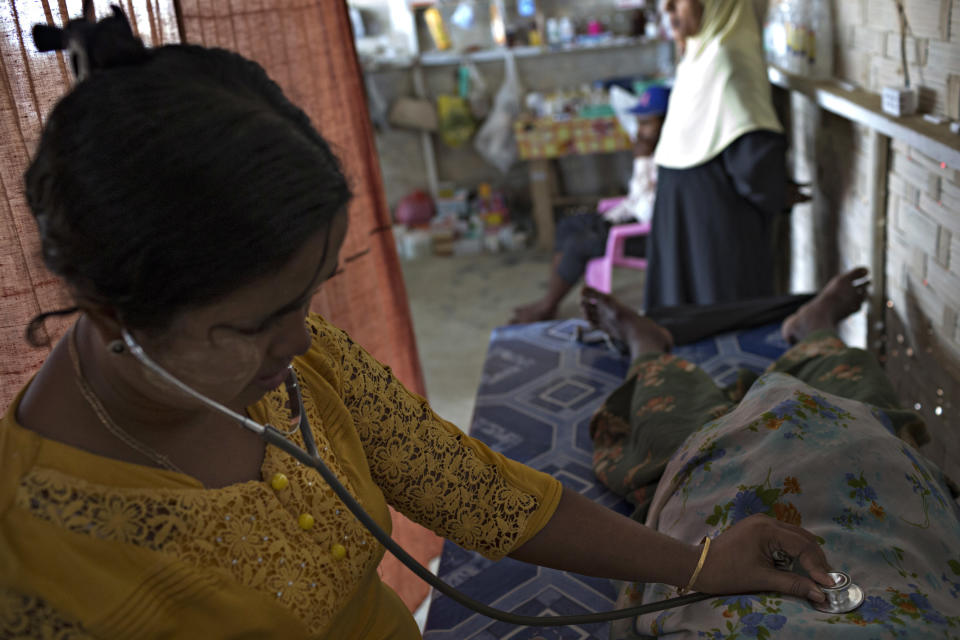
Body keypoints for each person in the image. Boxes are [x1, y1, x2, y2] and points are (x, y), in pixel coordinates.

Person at [0, 9, 835, 639]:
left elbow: (478, 494)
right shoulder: (35, 567)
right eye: (255, 323)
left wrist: (700, 563)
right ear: (113, 311)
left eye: (309, 298)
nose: (299, 343)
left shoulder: (300, 364)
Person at [580, 271, 960, 636]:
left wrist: (700, 565)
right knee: (864, 400)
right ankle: (816, 331)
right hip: (866, 461)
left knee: (666, 425)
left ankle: (648, 349)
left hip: (716, 477)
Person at [645, 0, 789, 310]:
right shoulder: (712, 55)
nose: (668, 8)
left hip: (687, 216)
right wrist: (780, 192)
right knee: (721, 320)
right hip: (713, 226)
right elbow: (754, 167)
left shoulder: (718, 58)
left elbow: (744, 145)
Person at [509, 85, 670, 324]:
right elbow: (636, 199)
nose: (640, 131)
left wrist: (642, 160)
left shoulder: (669, 157)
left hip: (649, 236)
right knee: (567, 225)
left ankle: (547, 306)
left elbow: (648, 213)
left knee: (580, 243)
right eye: (639, 122)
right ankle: (549, 301)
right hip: (627, 218)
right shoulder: (650, 149)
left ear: (666, 123)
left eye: (647, 123)